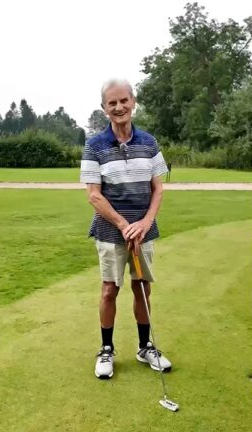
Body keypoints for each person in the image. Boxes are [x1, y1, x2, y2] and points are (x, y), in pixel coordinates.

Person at [80, 78, 172, 379]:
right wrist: (123, 225)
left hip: (143, 230)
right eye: (112, 103)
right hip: (110, 231)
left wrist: (144, 223)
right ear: (104, 108)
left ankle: (145, 347)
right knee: (110, 289)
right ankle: (106, 349)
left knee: (142, 288)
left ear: (133, 102)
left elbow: (158, 189)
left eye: (124, 100)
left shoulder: (149, 142)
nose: (119, 107)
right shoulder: (94, 145)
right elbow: (94, 195)